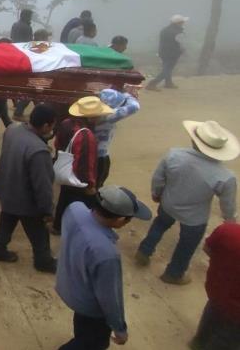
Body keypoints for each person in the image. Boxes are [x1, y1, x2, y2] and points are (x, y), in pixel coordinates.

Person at [136, 120, 238, 285]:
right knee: (187, 245)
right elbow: (228, 205)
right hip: (195, 217)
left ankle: (144, 250)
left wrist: (156, 193)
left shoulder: (174, 155)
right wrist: (230, 222)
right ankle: (174, 274)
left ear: (193, 140)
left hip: (169, 204)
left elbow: (158, 178)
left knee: (159, 225)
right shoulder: (225, 177)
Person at [56, 186, 152, 349]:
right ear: (120, 219)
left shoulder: (75, 208)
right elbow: (109, 298)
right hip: (90, 308)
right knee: (91, 343)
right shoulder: (105, 253)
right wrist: (119, 328)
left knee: (82, 331)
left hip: (70, 286)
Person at [0, 104, 58, 271]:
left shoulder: (12, 130)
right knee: (39, 233)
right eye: (52, 125)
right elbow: (43, 186)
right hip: (26, 200)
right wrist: (47, 210)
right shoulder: (39, 152)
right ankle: (44, 262)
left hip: (6, 189)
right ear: (46, 126)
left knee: (7, 221)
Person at [52, 96, 114, 234]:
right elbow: (85, 164)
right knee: (81, 205)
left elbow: (57, 144)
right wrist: (90, 185)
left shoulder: (66, 123)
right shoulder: (86, 135)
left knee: (64, 197)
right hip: (78, 177)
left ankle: (58, 226)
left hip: (65, 170)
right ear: (91, 117)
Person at [191, 222, 240, 349]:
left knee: (212, 314)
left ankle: (198, 342)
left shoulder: (228, 230)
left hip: (216, 291)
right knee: (227, 340)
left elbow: (207, 249)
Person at [94, 88, 140, 187]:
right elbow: (135, 106)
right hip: (100, 156)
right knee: (97, 182)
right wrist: (128, 95)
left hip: (86, 153)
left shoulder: (91, 112)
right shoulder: (109, 116)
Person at [146, 14, 188, 91]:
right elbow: (181, 43)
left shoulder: (165, 30)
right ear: (178, 23)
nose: (183, 23)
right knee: (167, 69)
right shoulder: (178, 32)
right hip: (173, 53)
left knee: (167, 67)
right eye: (182, 22)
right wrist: (183, 51)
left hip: (163, 52)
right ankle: (152, 84)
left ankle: (168, 83)